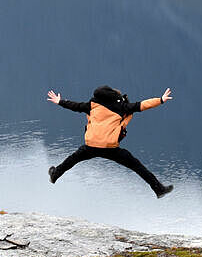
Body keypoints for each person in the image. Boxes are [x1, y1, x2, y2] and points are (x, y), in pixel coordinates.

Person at [46, 85, 175, 198]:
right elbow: (142, 105)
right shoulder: (121, 107)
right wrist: (161, 100)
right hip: (110, 148)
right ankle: (158, 189)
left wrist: (60, 101)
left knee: (71, 160)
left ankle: (55, 175)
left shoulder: (91, 106)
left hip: (91, 145)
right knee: (137, 167)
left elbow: (74, 106)